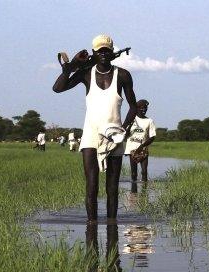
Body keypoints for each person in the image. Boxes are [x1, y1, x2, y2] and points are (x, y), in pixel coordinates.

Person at [53, 34, 138, 222]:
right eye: (100, 51)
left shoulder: (122, 75)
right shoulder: (86, 74)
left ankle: (111, 226)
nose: (104, 54)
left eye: (107, 50)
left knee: (112, 188)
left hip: (114, 136)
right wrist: (69, 68)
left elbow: (133, 106)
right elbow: (58, 88)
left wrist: (123, 129)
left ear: (112, 51)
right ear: (94, 52)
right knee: (91, 186)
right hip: (91, 136)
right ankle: (91, 225)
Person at [124, 99, 156, 182]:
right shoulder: (131, 119)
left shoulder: (149, 121)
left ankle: (144, 192)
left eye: (145, 108)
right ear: (137, 108)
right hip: (132, 150)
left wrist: (142, 146)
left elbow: (152, 137)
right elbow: (125, 136)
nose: (144, 110)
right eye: (142, 108)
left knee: (144, 172)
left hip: (143, 149)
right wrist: (129, 127)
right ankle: (133, 193)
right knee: (134, 173)